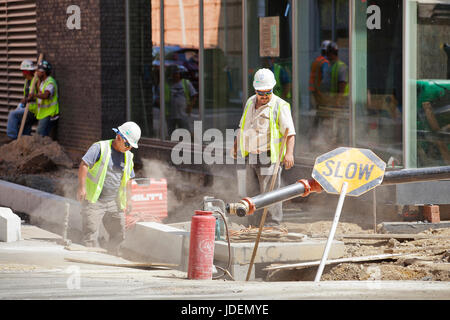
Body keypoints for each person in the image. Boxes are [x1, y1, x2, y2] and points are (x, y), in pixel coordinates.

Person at [231, 68, 296, 227]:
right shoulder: (250, 102)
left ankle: (272, 226)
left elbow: (290, 132)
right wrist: (235, 146)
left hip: (268, 157)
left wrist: (289, 153)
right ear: (255, 90)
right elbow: (242, 127)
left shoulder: (280, 105)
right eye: (262, 93)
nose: (265, 96)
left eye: (268, 92)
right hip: (251, 156)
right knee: (252, 193)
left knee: (270, 194)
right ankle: (253, 225)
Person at [77, 121, 141, 254]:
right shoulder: (100, 147)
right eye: (127, 144)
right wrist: (82, 188)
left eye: (131, 146)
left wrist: (129, 200)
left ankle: (112, 257)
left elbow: (129, 179)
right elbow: (84, 164)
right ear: (118, 137)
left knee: (118, 234)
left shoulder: (128, 156)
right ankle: (89, 262)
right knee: (91, 233)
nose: (129, 148)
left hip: (114, 202)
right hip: (95, 200)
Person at [6, 60, 39, 140]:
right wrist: (24, 100)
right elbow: (27, 95)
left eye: (23, 71)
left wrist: (29, 99)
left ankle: (12, 137)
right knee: (26, 128)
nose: (22, 73)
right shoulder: (27, 81)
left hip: (34, 110)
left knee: (13, 114)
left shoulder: (36, 81)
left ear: (26, 71)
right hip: (27, 107)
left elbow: (39, 96)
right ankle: (24, 140)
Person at [27, 60, 60, 137]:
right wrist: (31, 98)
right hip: (43, 113)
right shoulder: (42, 82)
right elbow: (40, 97)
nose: (36, 73)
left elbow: (46, 96)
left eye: (38, 71)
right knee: (42, 136)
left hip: (49, 114)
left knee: (39, 136)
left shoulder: (50, 82)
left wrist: (34, 95)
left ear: (43, 72)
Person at [165, 65, 198, 136]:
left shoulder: (186, 83)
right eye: (173, 74)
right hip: (171, 114)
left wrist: (190, 106)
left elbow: (194, 95)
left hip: (183, 113)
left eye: (177, 74)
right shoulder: (167, 84)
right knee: (171, 133)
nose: (175, 76)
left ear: (180, 74)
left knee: (185, 132)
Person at [309, 40, 331, 108]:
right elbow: (325, 79)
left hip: (313, 89)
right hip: (320, 90)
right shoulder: (325, 62)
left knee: (319, 109)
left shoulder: (316, 60)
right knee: (324, 109)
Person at [326, 41, 349, 106]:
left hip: (340, 103)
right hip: (333, 101)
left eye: (327, 53)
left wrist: (338, 102)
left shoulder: (341, 67)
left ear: (331, 53)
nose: (326, 56)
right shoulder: (331, 66)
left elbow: (342, 86)